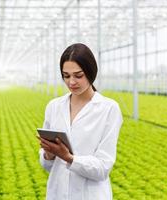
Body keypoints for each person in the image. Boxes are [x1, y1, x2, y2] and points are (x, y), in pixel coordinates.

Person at [37, 43, 123, 200]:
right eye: (66, 76)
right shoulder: (54, 106)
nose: (71, 82)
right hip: (57, 193)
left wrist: (69, 158)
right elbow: (47, 166)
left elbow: (103, 167)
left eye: (78, 75)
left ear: (91, 72)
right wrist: (49, 154)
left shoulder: (108, 109)